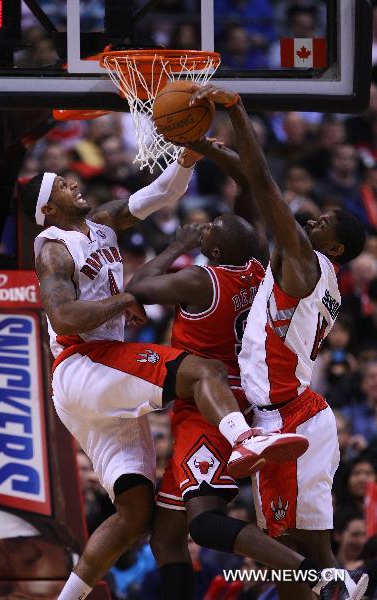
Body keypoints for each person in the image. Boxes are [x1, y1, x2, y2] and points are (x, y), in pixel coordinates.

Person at [20, 154, 306, 600]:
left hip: (100, 383)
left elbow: (163, 193)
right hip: (83, 361)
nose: (72, 183)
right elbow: (63, 316)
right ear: (48, 209)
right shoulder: (54, 247)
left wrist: (186, 157)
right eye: (60, 185)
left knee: (137, 515)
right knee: (200, 370)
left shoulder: (102, 223)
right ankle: (244, 438)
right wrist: (125, 299)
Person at [127, 141, 367, 600]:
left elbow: (262, 190)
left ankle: (322, 579)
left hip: (239, 409)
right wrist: (216, 156)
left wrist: (177, 242)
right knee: (171, 534)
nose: (310, 219)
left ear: (212, 249)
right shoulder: (265, 273)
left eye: (210, 230)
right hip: (265, 406)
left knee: (215, 527)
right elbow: (254, 198)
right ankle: (329, 578)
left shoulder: (213, 278)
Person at [188, 84, 368, 600]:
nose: (310, 218)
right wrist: (197, 144)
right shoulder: (323, 273)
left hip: (285, 421)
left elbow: (262, 179)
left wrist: (237, 112)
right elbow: (253, 179)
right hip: (308, 412)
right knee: (315, 556)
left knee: (287, 555)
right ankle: (338, 587)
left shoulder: (304, 263)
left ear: (332, 245)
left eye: (322, 222)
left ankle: (333, 587)